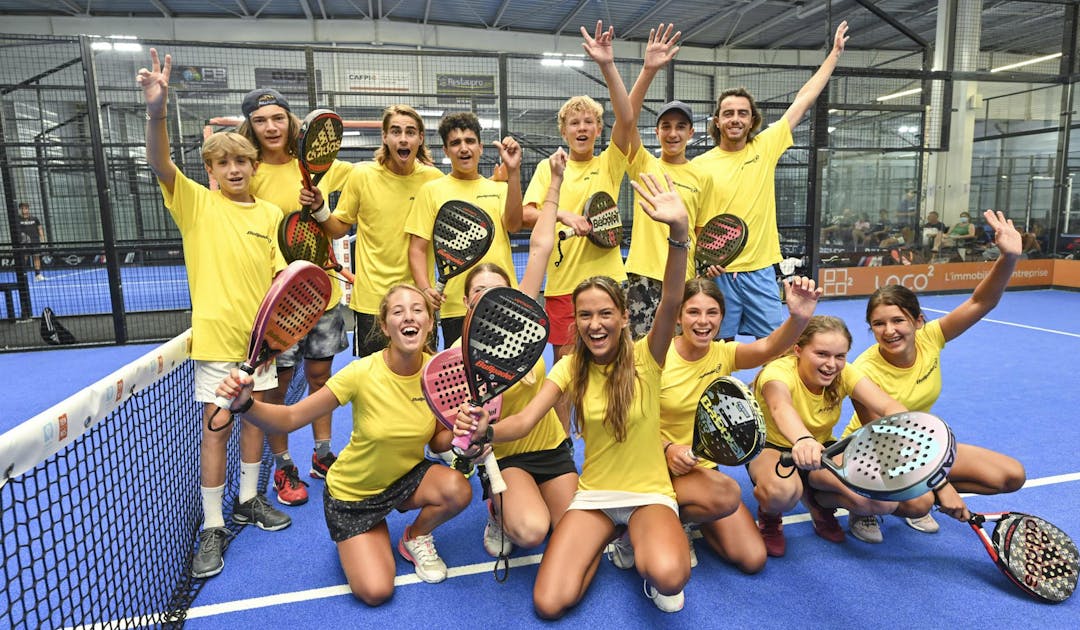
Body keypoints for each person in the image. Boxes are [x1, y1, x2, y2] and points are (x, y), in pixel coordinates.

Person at [456, 171, 692, 615]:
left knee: (668, 575)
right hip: (594, 497)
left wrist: (678, 233)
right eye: (585, 315)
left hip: (648, 495)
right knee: (548, 604)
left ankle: (640, 546)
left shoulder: (648, 356)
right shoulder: (570, 366)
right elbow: (526, 421)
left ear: (624, 318)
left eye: (605, 313)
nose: (595, 323)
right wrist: (487, 431)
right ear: (576, 322)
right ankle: (606, 541)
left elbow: (673, 299)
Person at [215, 284, 472, 603]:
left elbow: (437, 439)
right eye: (398, 311)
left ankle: (414, 536)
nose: (409, 317)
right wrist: (246, 405)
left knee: (458, 489)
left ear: (430, 322)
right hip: (354, 495)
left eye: (418, 310)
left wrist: (467, 435)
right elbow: (292, 417)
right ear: (384, 325)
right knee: (376, 591)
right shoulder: (361, 373)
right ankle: (361, 536)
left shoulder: (438, 373)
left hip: (405, 479)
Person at [138, 49, 290, 579]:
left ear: (253, 166)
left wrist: (276, 334)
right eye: (222, 163)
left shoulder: (271, 214)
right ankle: (211, 525)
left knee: (253, 425)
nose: (233, 169)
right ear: (210, 170)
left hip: (261, 347)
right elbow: (160, 163)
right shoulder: (197, 205)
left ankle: (249, 499)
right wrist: (158, 111)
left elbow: (278, 280)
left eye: (241, 162)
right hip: (218, 350)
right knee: (215, 433)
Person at [843, 209, 1026, 543]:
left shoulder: (932, 338)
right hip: (874, 450)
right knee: (920, 502)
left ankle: (919, 490)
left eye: (898, 320)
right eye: (879, 324)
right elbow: (885, 436)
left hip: (924, 443)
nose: (889, 331)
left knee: (1011, 476)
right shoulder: (863, 370)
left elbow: (980, 302)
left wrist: (1008, 258)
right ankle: (865, 503)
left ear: (917, 321)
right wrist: (941, 486)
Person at [646, 275, 821, 574]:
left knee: (753, 558)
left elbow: (768, 347)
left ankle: (686, 515)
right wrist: (667, 448)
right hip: (653, 466)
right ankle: (661, 516)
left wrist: (798, 318)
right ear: (678, 316)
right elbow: (630, 421)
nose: (703, 321)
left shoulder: (723, 353)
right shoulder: (655, 354)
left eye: (712, 313)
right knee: (726, 494)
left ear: (722, 318)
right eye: (694, 312)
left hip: (700, 470)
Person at [459, 148, 578, 560]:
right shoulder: (459, 359)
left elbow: (542, 244)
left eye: (497, 291)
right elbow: (458, 432)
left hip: (551, 448)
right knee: (531, 532)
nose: (488, 298)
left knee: (575, 531)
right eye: (479, 293)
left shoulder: (522, 320)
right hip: (504, 456)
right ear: (467, 301)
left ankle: (535, 497)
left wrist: (556, 182)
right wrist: (468, 443)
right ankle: (498, 508)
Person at [695, 21, 849, 341]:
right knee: (714, 352)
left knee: (777, 350)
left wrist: (833, 55)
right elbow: (698, 225)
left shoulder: (765, 147)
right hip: (719, 276)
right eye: (728, 113)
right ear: (717, 121)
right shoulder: (700, 165)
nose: (735, 119)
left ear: (752, 120)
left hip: (761, 272)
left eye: (742, 113)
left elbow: (804, 99)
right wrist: (704, 260)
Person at [238, 88, 354, 508]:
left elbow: (334, 229)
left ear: (291, 123)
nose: (271, 127)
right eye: (261, 120)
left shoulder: (314, 170)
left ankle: (323, 455)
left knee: (321, 379)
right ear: (250, 125)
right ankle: (283, 464)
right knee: (277, 388)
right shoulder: (246, 173)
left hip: (321, 294)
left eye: (278, 118)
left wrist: (321, 205)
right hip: (278, 300)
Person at [747, 315, 935, 557]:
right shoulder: (777, 373)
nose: (831, 364)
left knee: (881, 503)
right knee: (781, 492)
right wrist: (803, 440)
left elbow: (889, 406)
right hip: (774, 449)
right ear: (798, 350)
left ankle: (818, 502)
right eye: (822, 354)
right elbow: (780, 407)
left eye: (839, 356)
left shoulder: (845, 372)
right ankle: (770, 516)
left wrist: (908, 432)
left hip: (821, 452)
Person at [520, 20, 639, 368]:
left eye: (589, 122)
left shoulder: (610, 163)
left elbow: (627, 119)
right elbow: (527, 215)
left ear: (599, 129)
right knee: (565, 370)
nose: (582, 128)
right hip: (561, 285)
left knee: (616, 366)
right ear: (564, 130)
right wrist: (562, 214)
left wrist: (608, 64)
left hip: (609, 280)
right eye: (575, 123)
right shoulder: (550, 167)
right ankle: (563, 427)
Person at [315, 104, 442, 357]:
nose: (403, 138)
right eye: (395, 131)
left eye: (410, 132)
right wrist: (320, 208)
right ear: (385, 137)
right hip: (372, 302)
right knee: (371, 382)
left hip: (418, 302)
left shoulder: (434, 180)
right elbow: (339, 228)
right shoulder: (362, 175)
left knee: (421, 380)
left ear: (420, 138)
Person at [405, 111, 522, 347]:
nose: (463, 148)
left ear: (480, 147)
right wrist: (425, 288)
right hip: (457, 307)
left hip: (504, 299)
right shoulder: (432, 191)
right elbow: (417, 249)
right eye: (455, 143)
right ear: (446, 152)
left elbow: (514, 225)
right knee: (462, 378)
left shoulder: (499, 189)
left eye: (469, 141)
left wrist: (514, 172)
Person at [621, 25, 696, 340]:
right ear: (657, 132)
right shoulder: (643, 163)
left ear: (691, 133)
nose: (673, 133)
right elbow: (627, 119)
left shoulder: (701, 175)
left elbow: (702, 232)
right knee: (638, 359)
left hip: (685, 281)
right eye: (666, 126)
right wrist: (648, 70)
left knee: (679, 358)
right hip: (642, 279)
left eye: (681, 126)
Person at [16, 202, 46, 281]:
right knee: (24, 258)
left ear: (28, 209)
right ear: (20, 209)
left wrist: (42, 239)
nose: (24, 210)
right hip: (24, 243)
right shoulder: (18, 219)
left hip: (35, 241)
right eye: (22, 208)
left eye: (25, 208)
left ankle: (38, 275)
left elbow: (39, 228)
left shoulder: (34, 218)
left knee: (36, 257)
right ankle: (23, 274)